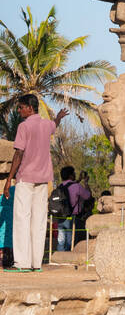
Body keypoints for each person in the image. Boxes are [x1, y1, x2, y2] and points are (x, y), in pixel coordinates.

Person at [3, 94, 68, 272]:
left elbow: (18, 154)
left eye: (21, 107)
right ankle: (36, 263)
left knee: (21, 219)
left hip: (26, 178)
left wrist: (9, 180)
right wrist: (58, 117)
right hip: (43, 178)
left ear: (29, 108)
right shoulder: (47, 124)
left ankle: (22, 263)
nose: (19, 110)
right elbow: (55, 124)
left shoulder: (24, 126)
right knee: (39, 221)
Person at [54, 165, 93, 251]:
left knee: (61, 240)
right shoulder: (77, 186)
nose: (75, 174)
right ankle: (67, 258)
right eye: (74, 173)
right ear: (71, 175)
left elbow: (70, 186)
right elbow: (88, 196)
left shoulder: (60, 186)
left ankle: (59, 258)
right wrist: (86, 183)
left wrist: (78, 180)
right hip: (72, 217)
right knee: (69, 241)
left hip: (60, 217)